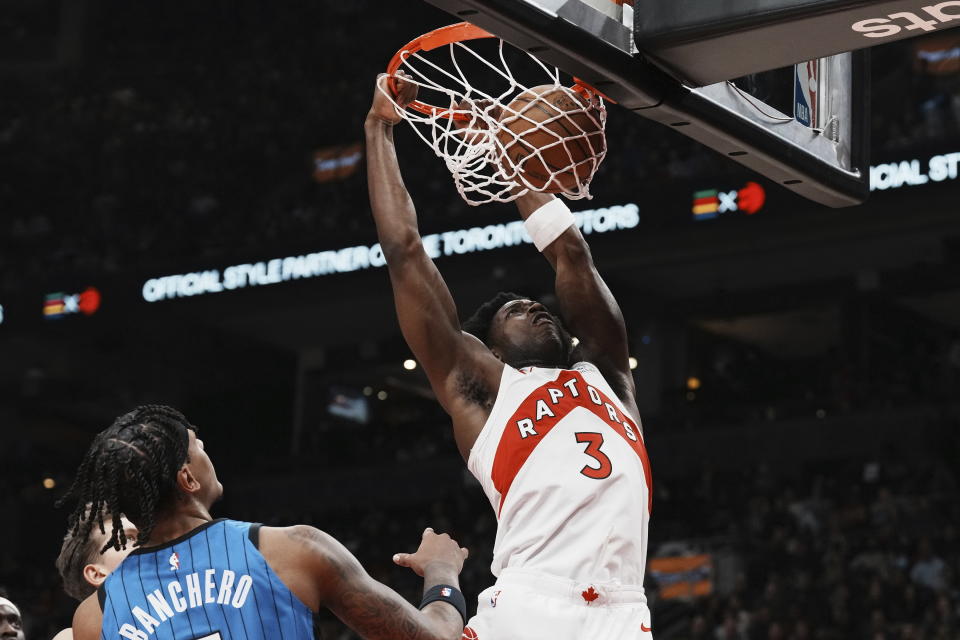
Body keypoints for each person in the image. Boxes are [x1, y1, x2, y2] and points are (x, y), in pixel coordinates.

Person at [366, 73, 654, 639]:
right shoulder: (483, 389)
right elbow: (404, 252)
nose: (536, 307)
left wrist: (513, 152)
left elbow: (571, 254)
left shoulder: (609, 377)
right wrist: (379, 127)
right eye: (515, 310)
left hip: (624, 612)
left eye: (535, 303)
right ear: (490, 348)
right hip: (531, 605)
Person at [58, 404, 470, 640]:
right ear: (188, 477)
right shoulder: (291, 549)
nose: (205, 450)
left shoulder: (94, 618)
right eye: (197, 446)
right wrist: (442, 571)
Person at [51, 513, 139, 640]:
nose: (146, 542)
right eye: (129, 538)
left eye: (147, 535)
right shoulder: (73, 637)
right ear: (97, 574)